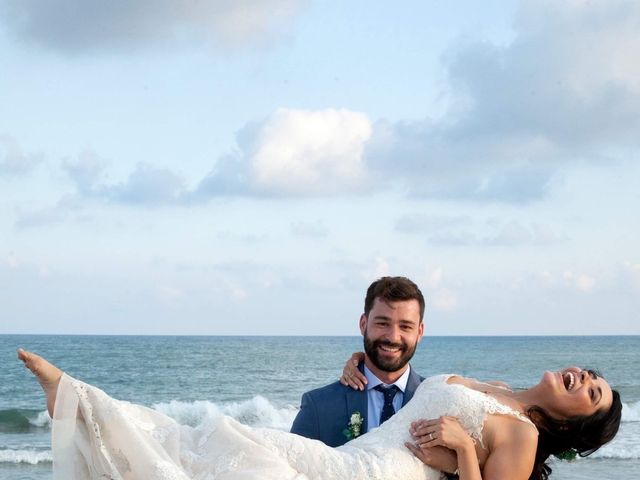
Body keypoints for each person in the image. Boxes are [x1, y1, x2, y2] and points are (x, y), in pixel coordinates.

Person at [18, 348, 621, 480]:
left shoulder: (518, 434)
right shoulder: (488, 384)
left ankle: (78, 403)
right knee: (215, 443)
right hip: (350, 457)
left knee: (226, 452)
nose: (585, 379)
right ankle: (79, 406)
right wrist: (358, 364)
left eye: (590, 393)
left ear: (569, 423)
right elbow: (414, 385)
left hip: (376, 478)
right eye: (592, 375)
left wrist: (464, 452)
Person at [290, 276, 426, 447]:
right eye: (382, 323)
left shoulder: (438, 400)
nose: (393, 337)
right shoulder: (318, 406)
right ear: (363, 324)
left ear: (419, 332)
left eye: (405, 326)